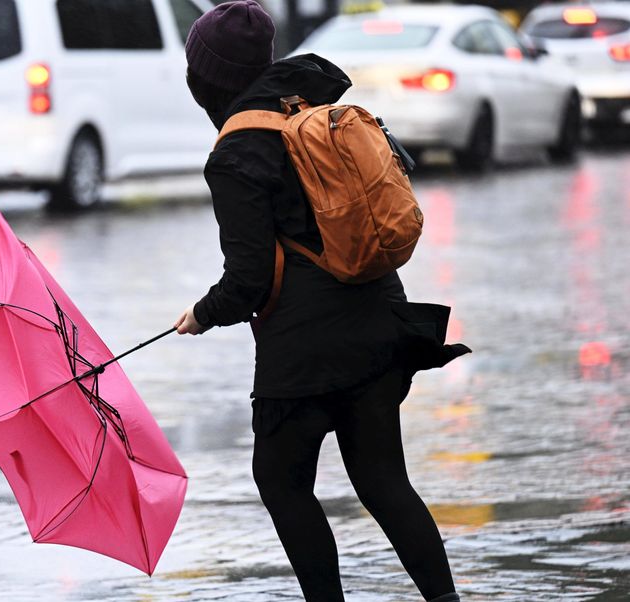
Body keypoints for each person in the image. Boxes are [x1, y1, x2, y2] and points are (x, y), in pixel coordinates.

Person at [172, 2, 468, 601]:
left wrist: (202, 314)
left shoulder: (236, 151)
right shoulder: (312, 106)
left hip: (305, 349)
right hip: (382, 319)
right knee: (385, 481)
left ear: (207, 77)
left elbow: (249, 280)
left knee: (281, 482)